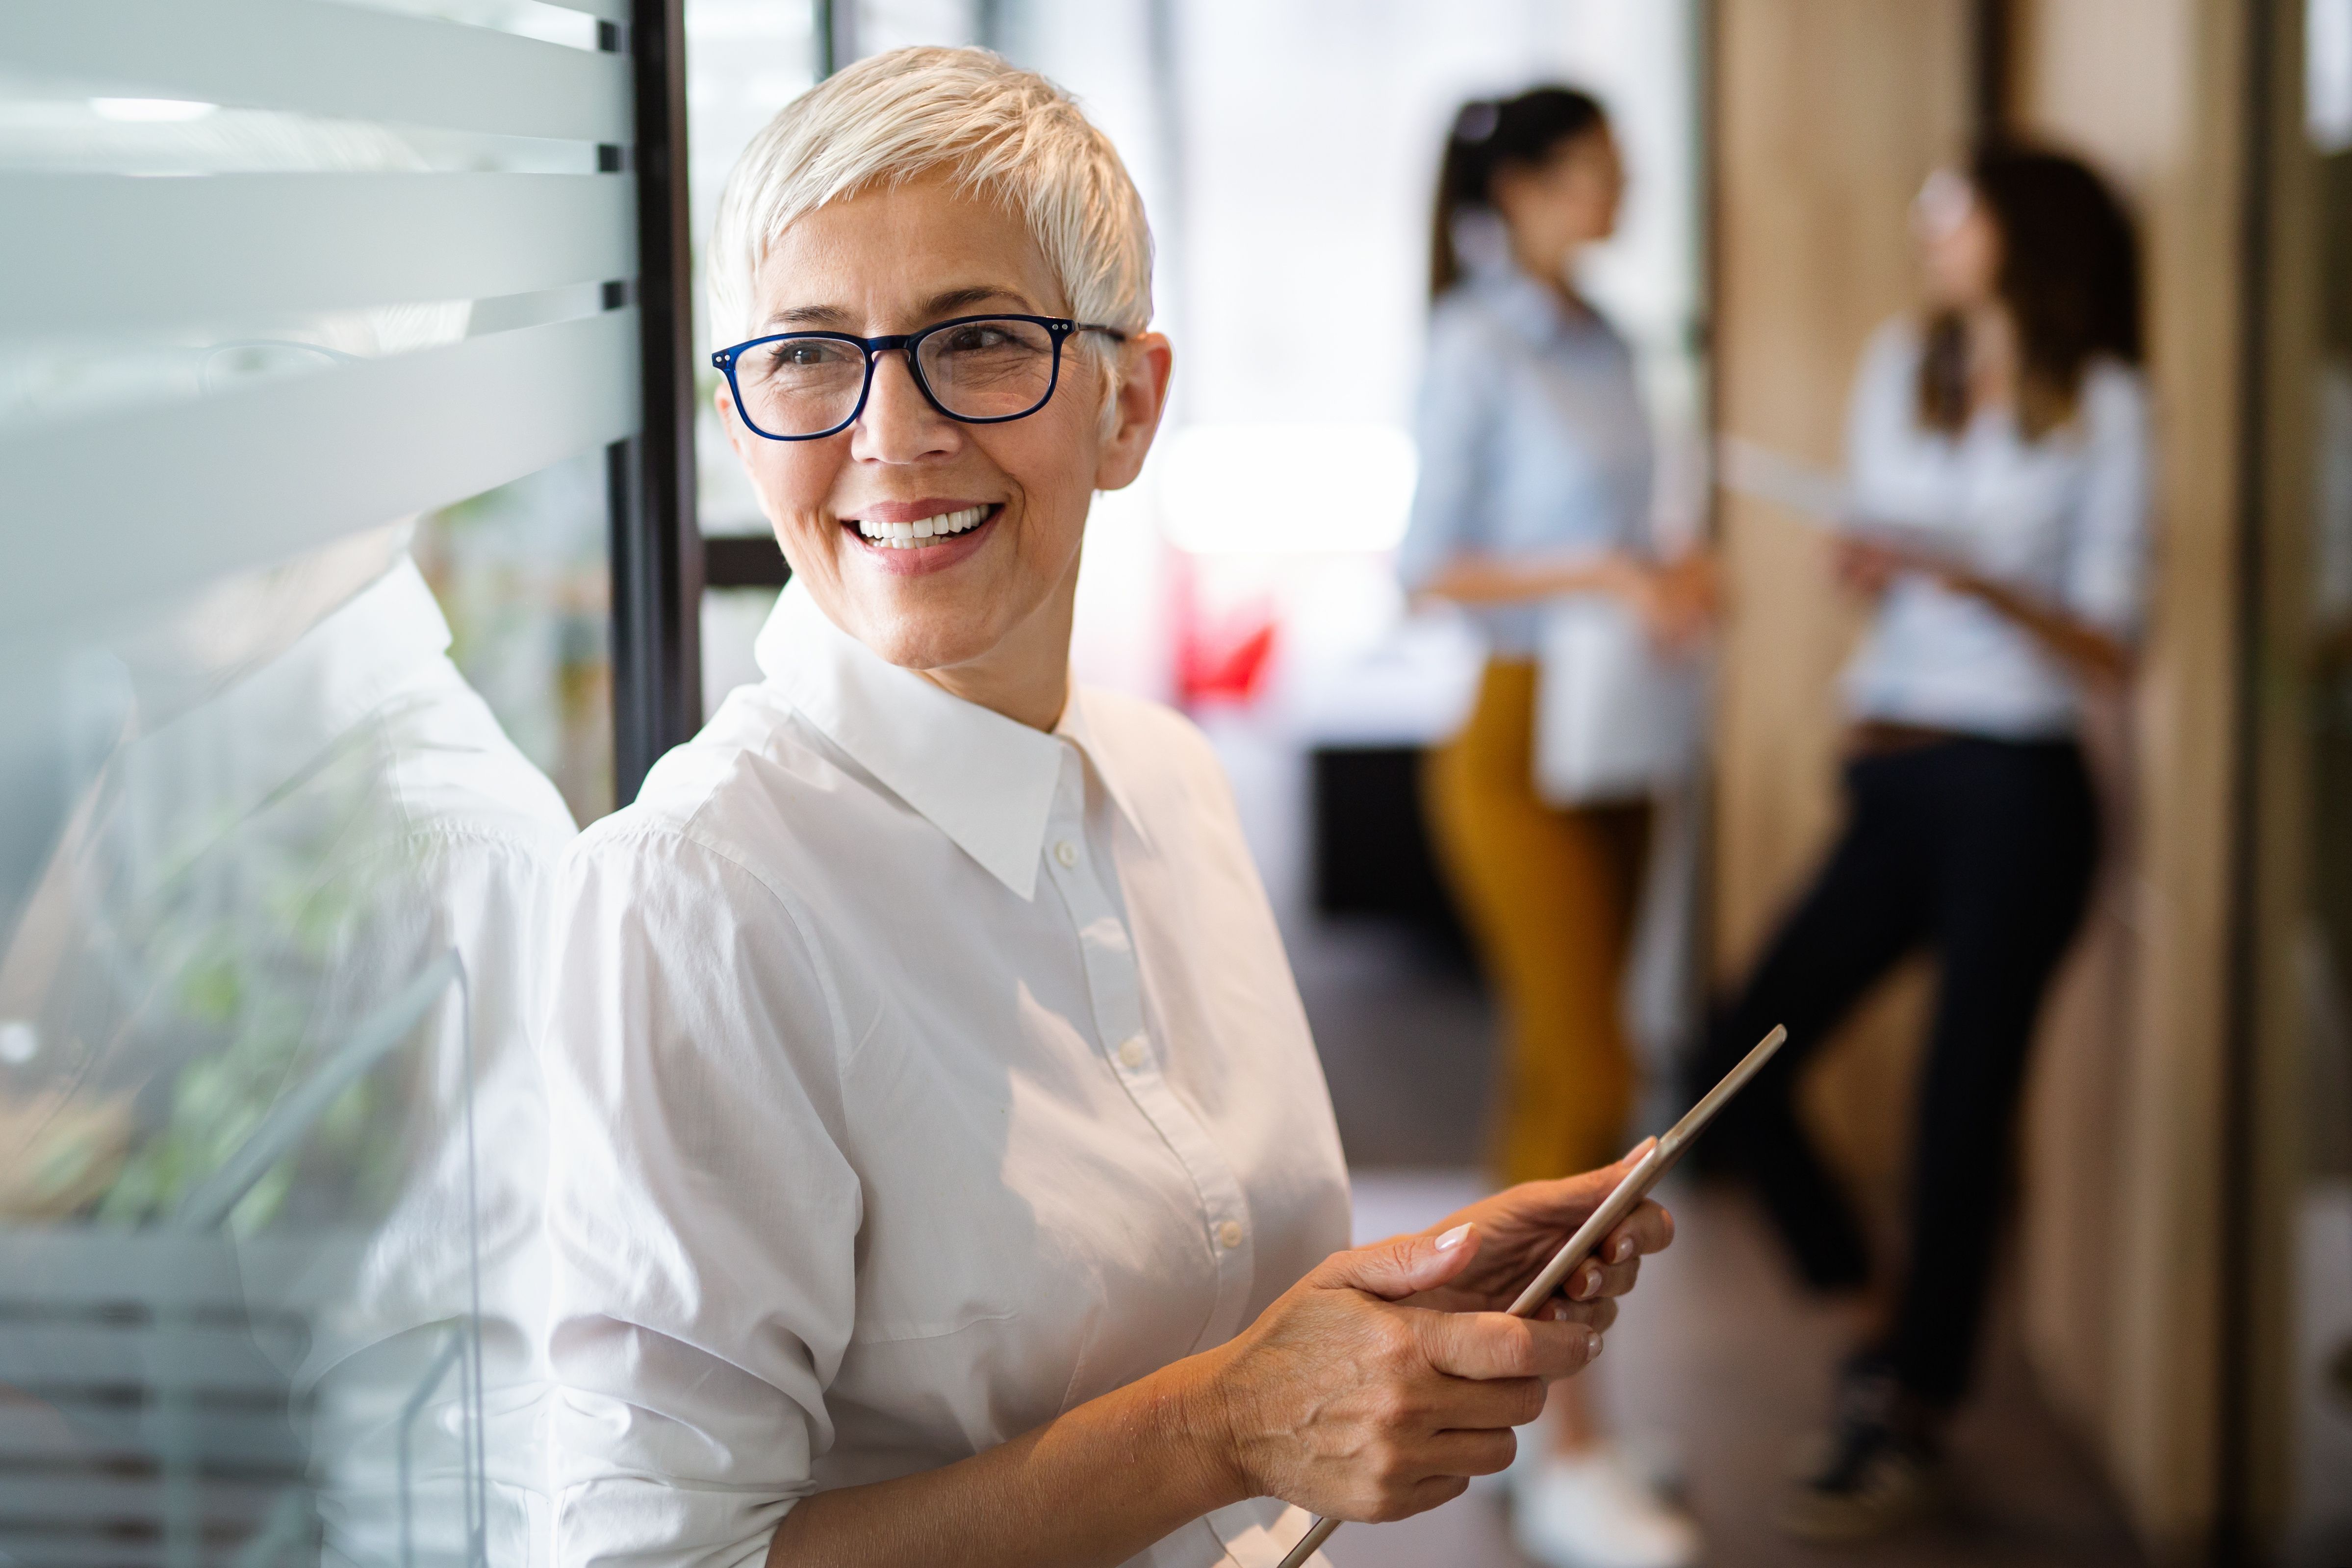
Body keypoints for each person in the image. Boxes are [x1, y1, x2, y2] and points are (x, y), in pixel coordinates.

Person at [539, 47, 1675, 1568]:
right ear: (743, 422)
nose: (889, 435)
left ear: (1129, 405)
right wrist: (1217, 1429)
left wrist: (1395, 1309)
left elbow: (1200, 1304)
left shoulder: (1166, 780)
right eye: (810, 355)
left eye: (981, 340)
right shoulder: (696, 903)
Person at [1693, 145, 2149, 1539]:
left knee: (1958, 1117)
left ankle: (1907, 1412)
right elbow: (1879, 550)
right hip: (1888, 770)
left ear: (2025, 230)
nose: (1925, 229)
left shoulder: (2106, 404)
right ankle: (1872, 1321)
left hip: (2018, 789)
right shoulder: (1906, 365)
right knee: (1737, 1056)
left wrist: (1974, 576)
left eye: (1950, 208)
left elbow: (2109, 640)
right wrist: (1875, 562)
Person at [1398, 87, 1711, 1568]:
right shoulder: (1477, 341)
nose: (1618, 189)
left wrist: (1662, 570)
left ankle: (1535, 1425)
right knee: (1582, 1072)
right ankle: (1558, 1445)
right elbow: (1429, 571)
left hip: (1622, 726)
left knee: (1569, 1078)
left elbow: (1625, 533)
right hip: (1517, 737)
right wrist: (1595, 570)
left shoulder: (1608, 337)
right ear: (1519, 188)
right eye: (1593, 169)